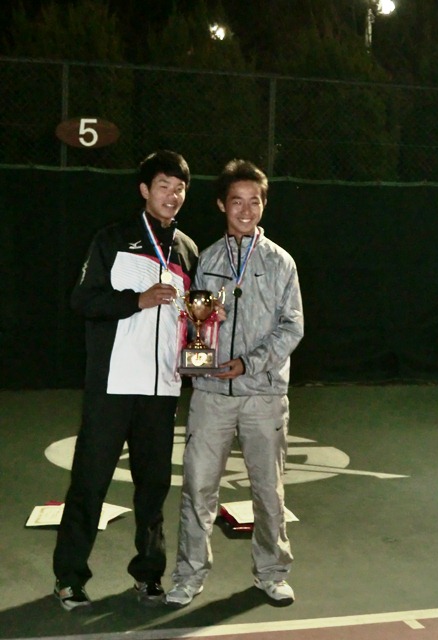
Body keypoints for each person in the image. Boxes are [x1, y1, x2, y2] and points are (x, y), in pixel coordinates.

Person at [52, 149, 198, 611]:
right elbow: (83, 300)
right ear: (144, 190)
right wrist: (137, 300)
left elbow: (190, 320)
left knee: (153, 488)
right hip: (113, 386)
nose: (172, 195)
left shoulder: (187, 249)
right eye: (163, 186)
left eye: (179, 188)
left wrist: (196, 345)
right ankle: (70, 577)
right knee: (90, 482)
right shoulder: (112, 239)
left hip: (162, 390)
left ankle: (149, 575)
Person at [164, 159, 304, 608]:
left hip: (263, 394)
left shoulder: (280, 262)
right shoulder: (206, 259)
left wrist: (248, 363)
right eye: (237, 201)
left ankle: (272, 573)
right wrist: (201, 343)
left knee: (268, 490)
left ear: (263, 205)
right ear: (222, 205)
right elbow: (192, 320)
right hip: (211, 395)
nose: (245, 210)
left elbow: (292, 327)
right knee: (197, 488)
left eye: (254, 202)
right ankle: (188, 576)